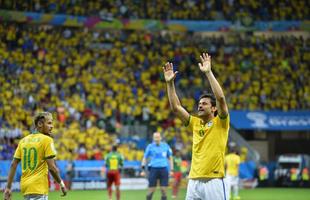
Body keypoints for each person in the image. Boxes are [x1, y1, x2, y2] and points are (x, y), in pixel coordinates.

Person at [163, 52, 229, 200]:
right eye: (199, 104)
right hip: (193, 181)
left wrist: (208, 72)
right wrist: (169, 83)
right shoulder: (195, 123)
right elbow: (176, 108)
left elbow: (221, 98)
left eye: (204, 104)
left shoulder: (221, 122)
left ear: (214, 109)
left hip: (214, 180)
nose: (200, 106)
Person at [3, 112, 67, 200]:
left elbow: (13, 164)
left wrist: (8, 188)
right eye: (49, 123)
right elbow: (52, 167)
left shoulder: (23, 141)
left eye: (52, 123)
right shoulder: (47, 140)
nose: (52, 126)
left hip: (26, 188)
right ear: (40, 124)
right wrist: (61, 184)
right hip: (38, 187)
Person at [140, 132, 173, 200]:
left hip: (164, 169)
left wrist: (171, 170)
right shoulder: (150, 146)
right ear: (153, 138)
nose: (156, 139)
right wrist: (143, 169)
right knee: (151, 189)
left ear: (160, 138)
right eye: (155, 137)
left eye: (157, 137)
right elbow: (145, 158)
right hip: (153, 169)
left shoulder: (165, 146)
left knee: (163, 190)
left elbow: (170, 158)